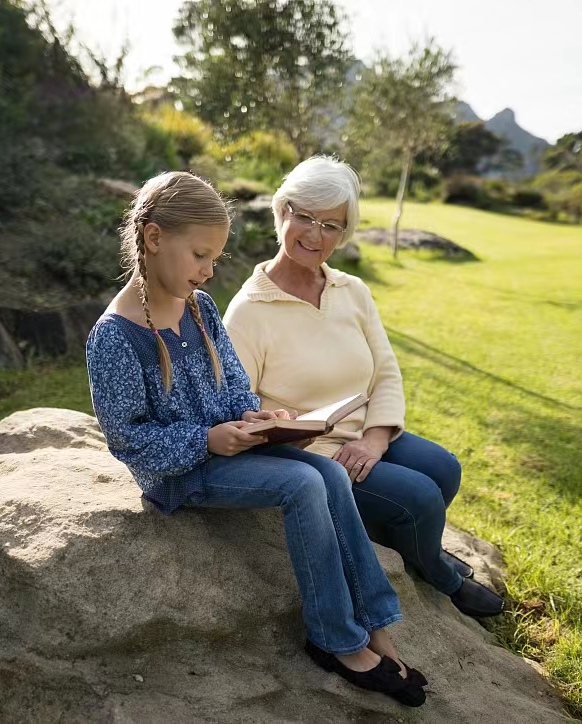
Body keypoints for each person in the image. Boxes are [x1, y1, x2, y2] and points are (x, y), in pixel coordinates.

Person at [85, 171, 427, 706]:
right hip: (181, 474)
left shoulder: (201, 309)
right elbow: (128, 440)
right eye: (200, 256)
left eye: (214, 259)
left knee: (330, 470)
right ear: (153, 239)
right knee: (301, 483)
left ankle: (376, 622)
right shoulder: (113, 336)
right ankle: (334, 638)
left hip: (228, 449)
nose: (209, 271)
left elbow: (235, 389)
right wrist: (208, 440)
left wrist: (259, 420)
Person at [223, 157, 505, 619]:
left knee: (444, 468)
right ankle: (441, 574)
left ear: (345, 231)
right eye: (305, 217)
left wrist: (376, 438)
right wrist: (286, 429)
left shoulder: (352, 290)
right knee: (419, 498)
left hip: (363, 436)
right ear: (282, 212)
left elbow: (385, 371)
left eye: (331, 225)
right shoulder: (248, 311)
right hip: (314, 455)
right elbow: (239, 410)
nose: (315, 235)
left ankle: (403, 541)